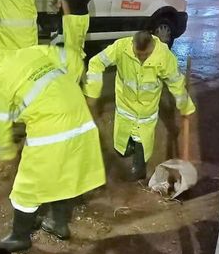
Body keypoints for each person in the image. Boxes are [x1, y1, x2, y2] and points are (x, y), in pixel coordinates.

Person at [0, 34, 105, 254]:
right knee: (65, 175)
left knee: (25, 189)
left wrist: (5, 152)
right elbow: (73, 58)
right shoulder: (30, 52)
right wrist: (63, 89)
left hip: (52, 133)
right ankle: (58, 224)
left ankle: (19, 238)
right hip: (81, 118)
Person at [83, 31, 195, 180]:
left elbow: (176, 83)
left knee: (142, 141)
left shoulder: (164, 56)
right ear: (132, 45)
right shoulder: (121, 48)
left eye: (145, 55)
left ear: (152, 46)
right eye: (138, 54)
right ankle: (126, 148)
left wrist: (185, 105)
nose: (141, 58)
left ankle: (140, 166)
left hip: (146, 111)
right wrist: (92, 91)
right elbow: (96, 62)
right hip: (125, 106)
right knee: (122, 146)